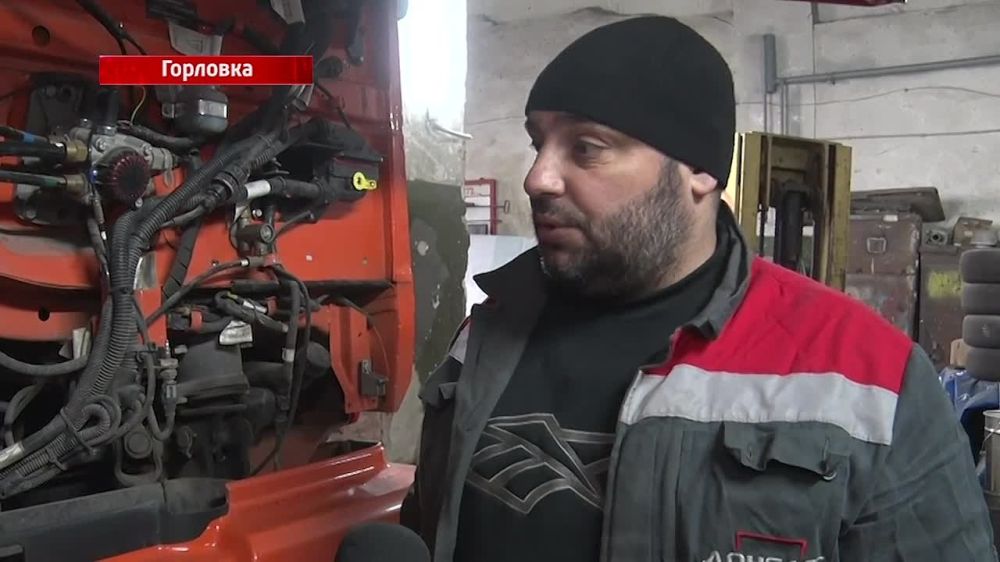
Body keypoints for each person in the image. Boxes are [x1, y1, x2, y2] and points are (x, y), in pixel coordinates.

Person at [400, 15, 997, 562]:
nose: (537, 177)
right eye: (539, 144)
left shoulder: (869, 377)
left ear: (701, 170)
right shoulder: (484, 336)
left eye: (586, 148)